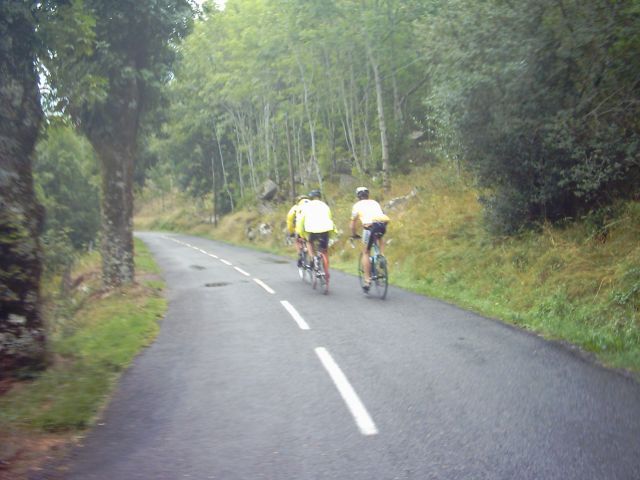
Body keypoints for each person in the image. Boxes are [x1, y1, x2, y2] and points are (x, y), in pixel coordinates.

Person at [350, 186, 390, 292]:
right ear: (368, 195)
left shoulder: (357, 205)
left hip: (369, 227)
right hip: (382, 224)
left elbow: (353, 224)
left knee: (366, 252)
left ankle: (367, 280)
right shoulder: (375, 203)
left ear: (358, 196)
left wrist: (353, 234)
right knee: (379, 237)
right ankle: (382, 256)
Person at [297, 189, 336, 277]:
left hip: (312, 229)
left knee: (309, 242)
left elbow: (301, 222)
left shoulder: (306, 206)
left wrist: (301, 234)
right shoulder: (325, 206)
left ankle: (313, 258)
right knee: (324, 250)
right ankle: (326, 269)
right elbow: (329, 217)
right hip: (326, 229)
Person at [286, 194, 310, 267]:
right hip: (312, 227)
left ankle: (300, 254)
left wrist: (291, 231)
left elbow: (289, 220)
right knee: (310, 240)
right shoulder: (312, 205)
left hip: (301, 228)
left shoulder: (296, 207)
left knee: (297, 239)